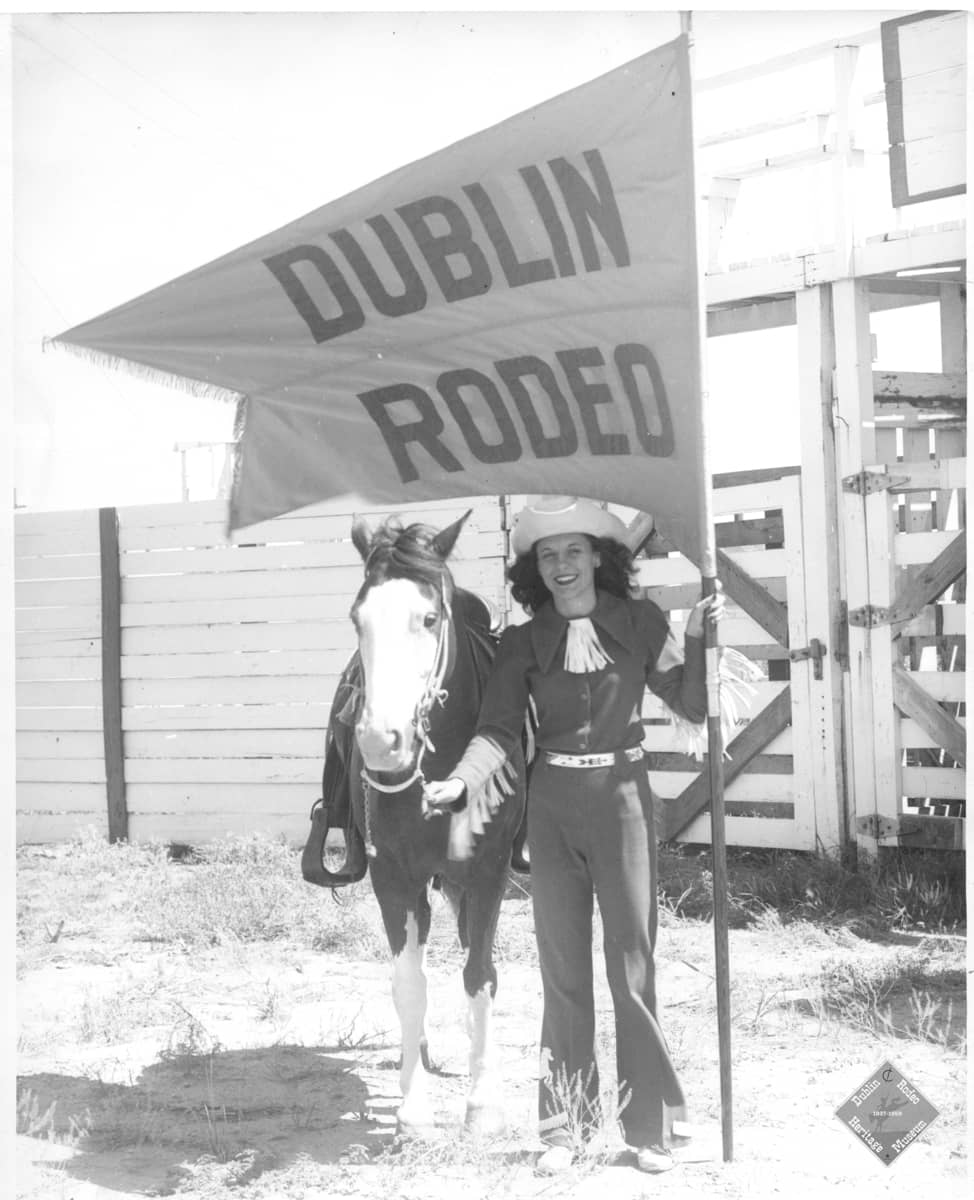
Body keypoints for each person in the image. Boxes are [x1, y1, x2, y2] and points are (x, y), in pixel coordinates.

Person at [424, 495, 724, 1176]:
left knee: (632, 966)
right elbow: (499, 730)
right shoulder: (522, 641)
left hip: (624, 801)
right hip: (552, 806)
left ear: (599, 557)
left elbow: (693, 704)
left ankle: (649, 1129)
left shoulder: (642, 622)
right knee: (562, 971)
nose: (561, 565)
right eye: (548, 555)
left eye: (574, 550)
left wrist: (703, 637)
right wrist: (463, 783)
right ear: (537, 568)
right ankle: (565, 1128)